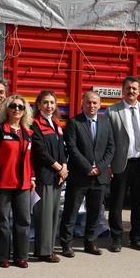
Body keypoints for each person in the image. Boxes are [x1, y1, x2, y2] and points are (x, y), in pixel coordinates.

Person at [59, 91, 114, 257]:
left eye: (95, 103)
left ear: (100, 104)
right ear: (83, 103)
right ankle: (66, 244)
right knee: (71, 211)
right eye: (89, 103)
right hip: (79, 176)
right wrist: (87, 167)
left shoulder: (106, 122)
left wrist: (100, 167)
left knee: (95, 212)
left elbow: (111, 148)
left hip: (100, 177)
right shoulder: (74, 122)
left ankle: (90, 242)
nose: (92, 106)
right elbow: (72, 148)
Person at [106, 76, 140, 251]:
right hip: (120, 163)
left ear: (139, 91)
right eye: (128, 88)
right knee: (117, 203)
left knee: (139, 203)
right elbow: (108, 141)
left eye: (134, 88)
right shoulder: (112, 111)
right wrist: (108, 165)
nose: (131, 91)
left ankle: (136, 237)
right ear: (122, 90)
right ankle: (116, 238)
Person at [0, 94, 35, 268]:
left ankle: (21, 256)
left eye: (20, 107)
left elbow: (31, 158)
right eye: (13, 106)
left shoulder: (28, 132)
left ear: (24, 111)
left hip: (22, 182)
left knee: (23, 220)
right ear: (7, 109)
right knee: (2, 220)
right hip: (3, 181)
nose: (17, 109)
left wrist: (32, 176)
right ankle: (2, 256)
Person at [30, 90, 68, 263]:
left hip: (57, 176)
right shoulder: (35, 124)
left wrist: (65, 167)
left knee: (53, 214)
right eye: (45, 102)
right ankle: (44, 251)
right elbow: (40, 151)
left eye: (52, 102)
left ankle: (49, 248)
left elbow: (62, 148)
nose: (49, 106)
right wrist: (59, 167)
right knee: (44, 215)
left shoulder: (56, 124)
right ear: (38, 105)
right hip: (44, 175)